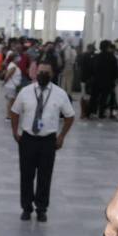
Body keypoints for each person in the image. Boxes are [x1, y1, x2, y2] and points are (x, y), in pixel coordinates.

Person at [10, 61, 76, 223]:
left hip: (48, 141)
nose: (42, 75)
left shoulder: (60, 94)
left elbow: (70, 116)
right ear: (35, 73)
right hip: (28, 139)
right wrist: (15, 132)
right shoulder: (25, 92)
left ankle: (41, 208)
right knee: (26, 175)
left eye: (46, 73)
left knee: (45, 176)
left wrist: (61, 137)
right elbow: (15, 112)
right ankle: (26, 208)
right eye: (40, 72)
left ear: (52, 75)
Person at [93, 42, 118, 120]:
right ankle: (101, 113)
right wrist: (115, 78)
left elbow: (94, 68)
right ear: (108, 47)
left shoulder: (97, 56)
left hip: (97, 80)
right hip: (108, 81)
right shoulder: (112, 57)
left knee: (95, 96)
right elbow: (115, 70)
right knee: (104, 98)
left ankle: (91, 112)